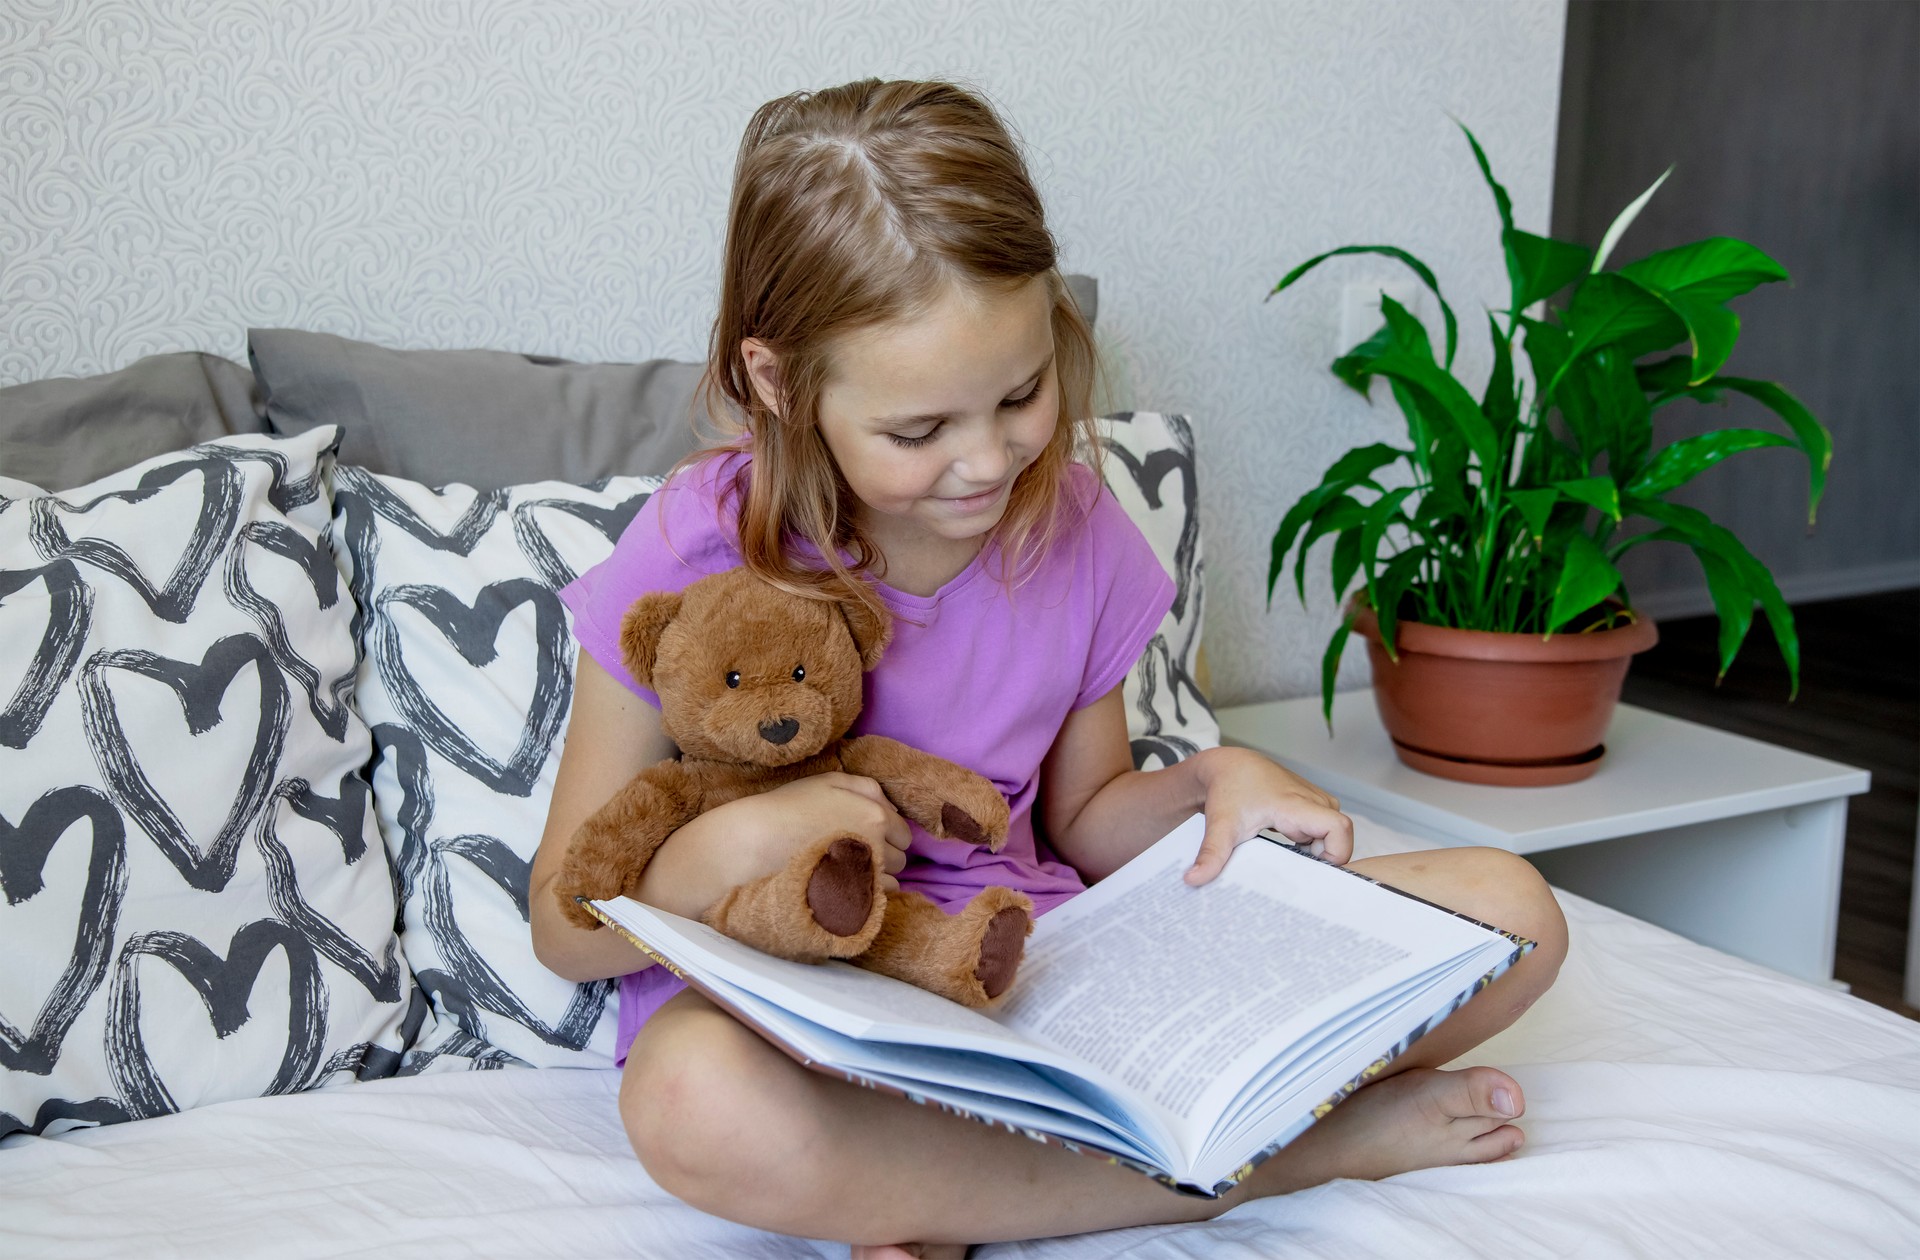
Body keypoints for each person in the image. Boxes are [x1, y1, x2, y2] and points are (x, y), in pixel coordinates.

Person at [529, 78, 1567, 1259]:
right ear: (779, 385)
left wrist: (1213, 783)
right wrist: (719, 856)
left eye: (1021, 395)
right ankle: (1291, 1153)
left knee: (1511, 912)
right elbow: (566, 931)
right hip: (795, 1019)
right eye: (919, 432)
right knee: (687, 1103)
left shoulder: (1073, 526)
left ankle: (930, 1192)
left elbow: (1084, 821)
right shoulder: (693, 544)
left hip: (1030, 977)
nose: (986, 462)